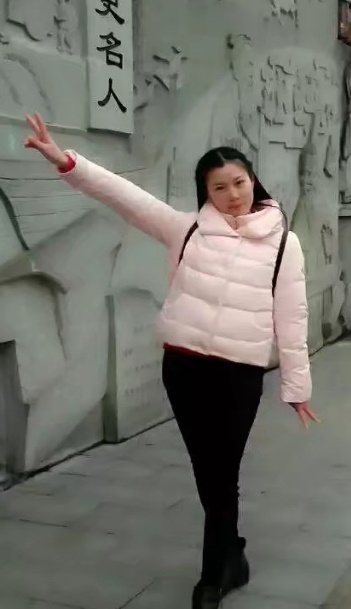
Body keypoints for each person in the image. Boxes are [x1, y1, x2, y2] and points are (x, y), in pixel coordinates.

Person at [24, 112, 319, 609]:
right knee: (209, 469)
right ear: (206, 192)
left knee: (222, 472)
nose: (232, 194)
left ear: (253, 180)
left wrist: (297, 387)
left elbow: (292, 316)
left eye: (239, 182)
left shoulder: (283, 244)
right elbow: (125, 197)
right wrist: (68, 162)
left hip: (239, 374)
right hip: (184, 370)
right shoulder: (187, 230)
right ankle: (230, 555)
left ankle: (215, 574)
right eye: (219, 187)